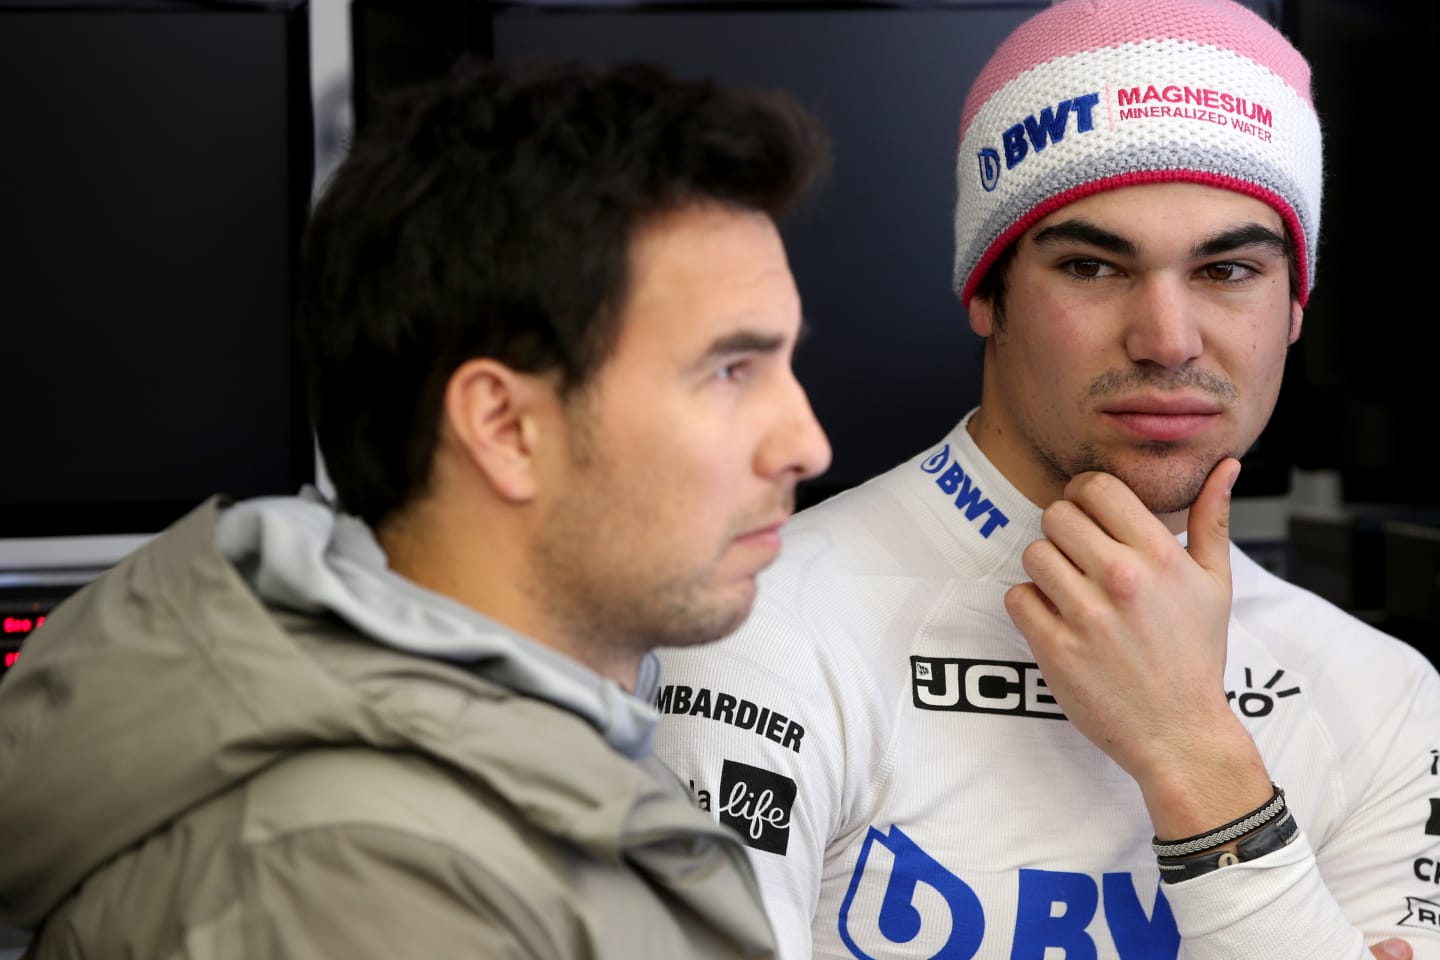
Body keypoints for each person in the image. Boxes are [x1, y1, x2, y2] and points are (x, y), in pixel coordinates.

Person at [651, 2, 1440, 958]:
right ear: (986, 293)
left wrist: (1192, 752)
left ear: (1294, 308)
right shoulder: (754, 628)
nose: (1167, 340)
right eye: (1093, 266)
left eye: (1228, 270)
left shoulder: (1387, 695)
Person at [0, 56, 833, 957]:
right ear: (505, 427)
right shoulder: (359, 886)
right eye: (729, 370)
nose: (807, 444)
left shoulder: (521, 777)